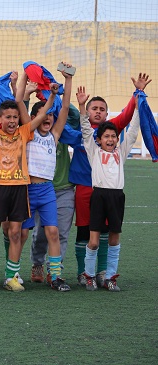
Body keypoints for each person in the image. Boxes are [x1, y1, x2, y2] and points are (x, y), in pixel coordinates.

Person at [0, 75, 58, 292]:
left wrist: (53, 95)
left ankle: (11, 277)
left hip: (20, 189)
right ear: (0, 119)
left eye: (14, 117)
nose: (11, 120)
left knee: (16, 233)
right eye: (7, 117)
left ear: (19, 119)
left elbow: (43, 114)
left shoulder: (25, 132)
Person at [65, 74, 150, 287]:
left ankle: (107, 275)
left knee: (111, 236)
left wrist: (139, 100)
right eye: (107, 137)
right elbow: (86, 131)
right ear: (99, 139)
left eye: (113, 136)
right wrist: (82, 105)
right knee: (88, 235)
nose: (110, 139)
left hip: (116, 197)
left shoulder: (120, 150)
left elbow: (131, 131)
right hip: (93, 193)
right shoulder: (92, 149)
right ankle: (87, 274)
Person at [18, 64, 74, 291]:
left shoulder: (55, 136)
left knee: (53, 231)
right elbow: (20, 103)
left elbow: (66, 106)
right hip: (27, 189)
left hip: (47, 190)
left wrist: (67, 80)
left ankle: (56, 276)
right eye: (44, 115)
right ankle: (12, 273)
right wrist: (26, 77)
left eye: (50, 115)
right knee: (21, 233)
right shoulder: (28, 132)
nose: (48, 118)